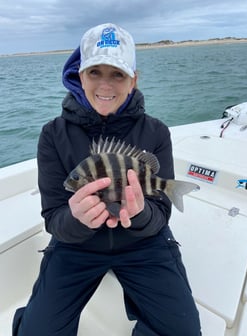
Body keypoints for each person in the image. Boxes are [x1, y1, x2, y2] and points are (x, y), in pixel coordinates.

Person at [13, 23, 201, 336]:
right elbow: (53, 219)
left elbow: (161, 212)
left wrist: (140, 214)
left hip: (143, 243)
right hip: (76, 246)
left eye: (117, 74)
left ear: (133, 80)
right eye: (94, 72)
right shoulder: (52, 135)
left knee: (182, 331)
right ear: (79, 75)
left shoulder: (156, 132)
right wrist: (77, 219)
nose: (106, 84)